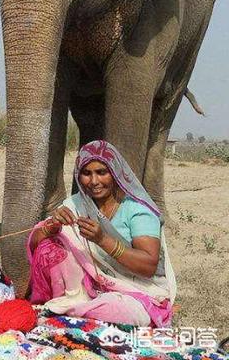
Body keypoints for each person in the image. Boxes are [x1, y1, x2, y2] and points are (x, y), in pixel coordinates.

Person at [27, 140, 176, 326]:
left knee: (116, 309)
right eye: (86, 173)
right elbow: (35, 244)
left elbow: (148, 266)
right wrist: (51, 227)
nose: (94, 181)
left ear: (115, 173)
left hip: (137, 292)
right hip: (89, 288)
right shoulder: (76, 204)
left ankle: (66, 312)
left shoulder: (137, 210)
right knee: (50, 248)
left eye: (101, 172)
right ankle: (74, 306)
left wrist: (102, 239)